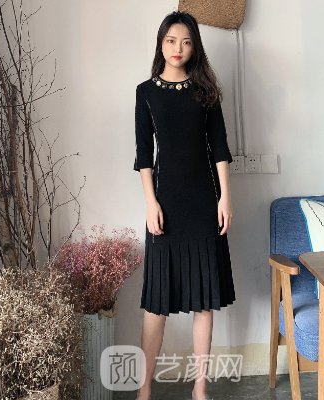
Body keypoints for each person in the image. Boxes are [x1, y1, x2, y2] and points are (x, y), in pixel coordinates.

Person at [133, 10, 236, 400]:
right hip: (165, 205)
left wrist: (225, 197)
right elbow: (144, 155)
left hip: (204, 203)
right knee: (156, 303)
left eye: (187, 42)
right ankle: (144, 389)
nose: (179, 48)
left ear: (195, 48)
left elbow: (220, 148)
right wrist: (150, 202)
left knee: (203, 301)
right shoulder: (146, 92)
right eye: (172, 40)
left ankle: (200, 388)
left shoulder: (205, 90)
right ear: (161, 43)